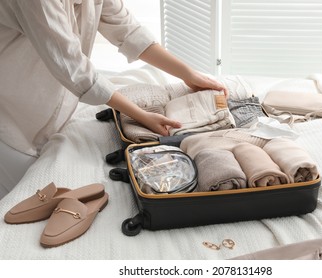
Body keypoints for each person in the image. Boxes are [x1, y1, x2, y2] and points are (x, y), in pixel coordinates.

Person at [0, 0, 227, 199]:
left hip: (51, 111)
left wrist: (188, 74)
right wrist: (140, 114)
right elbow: (73, 68)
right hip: (13, 121)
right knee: (17, 205)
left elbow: (128, 31)